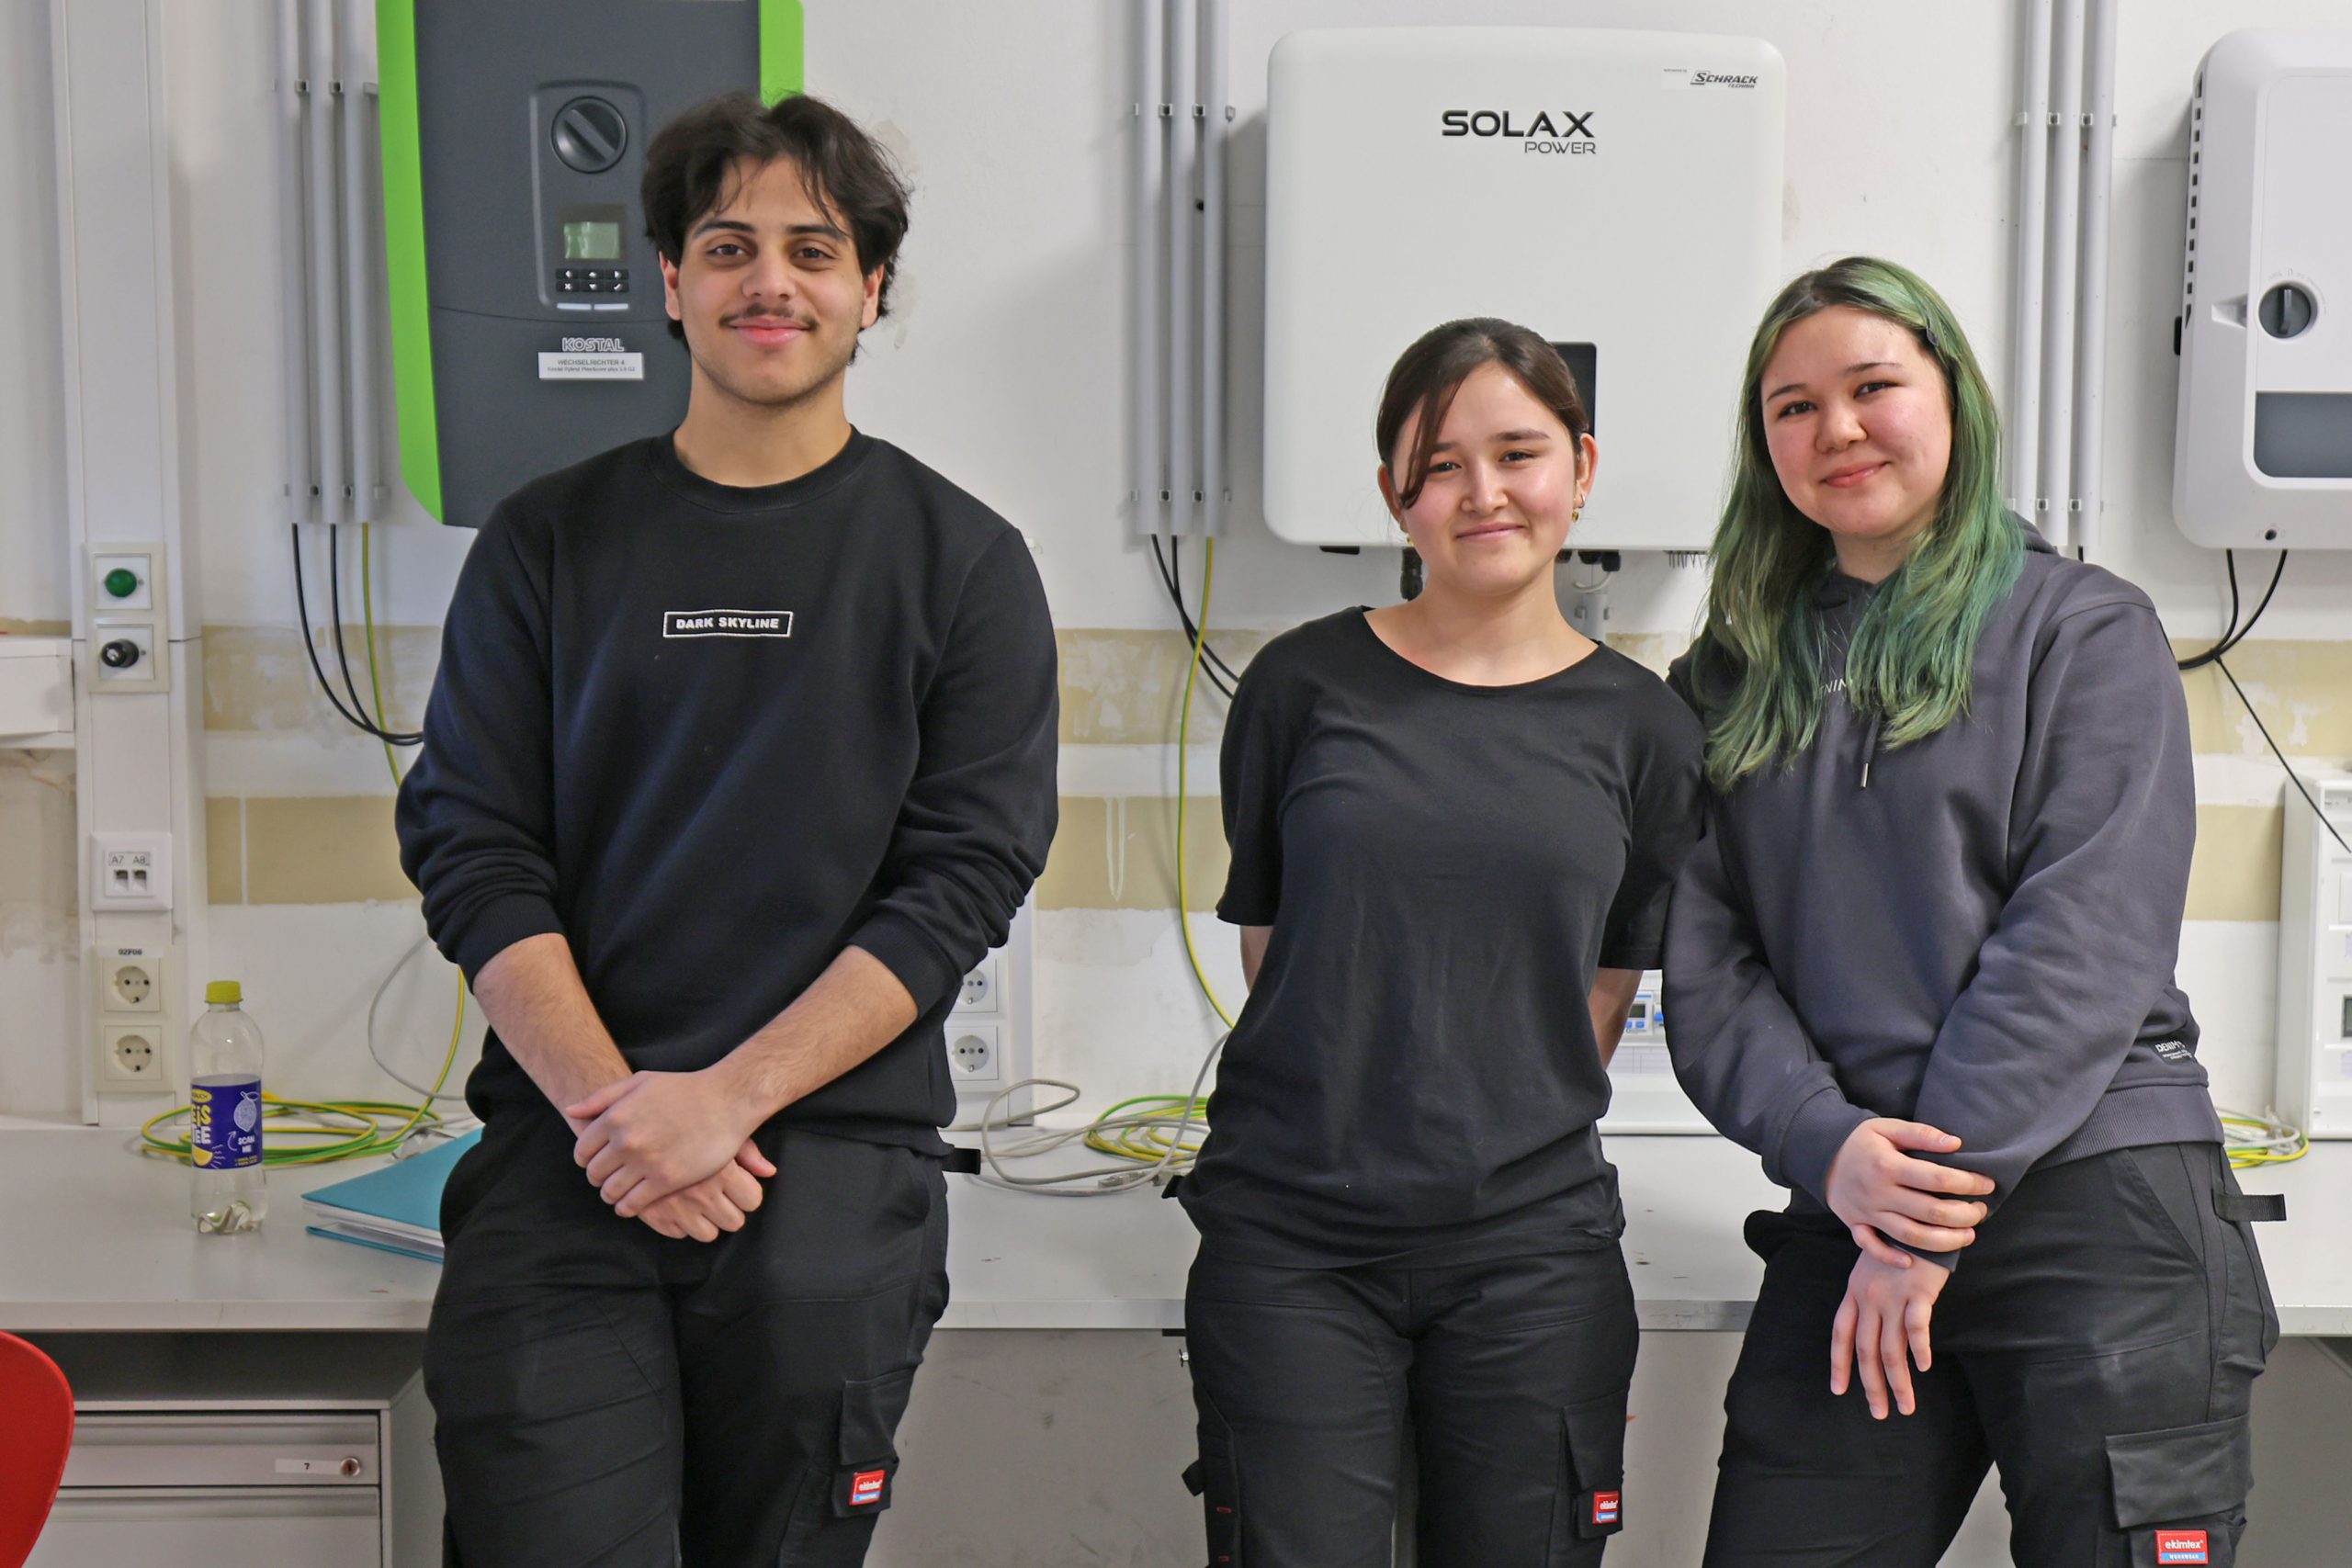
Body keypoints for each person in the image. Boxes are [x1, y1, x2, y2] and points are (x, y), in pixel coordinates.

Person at [394, 91, 1057, 1567]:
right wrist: (623, 1112)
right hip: (572, 1160)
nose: (771, 281)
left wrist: (727, 1103)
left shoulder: (962, 564)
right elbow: (473, 848)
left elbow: (961, 882)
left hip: (828, 1181)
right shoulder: (546, 541)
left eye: (813, 250)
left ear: (871, 289)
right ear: (670, 281)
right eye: (728, 245)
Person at [1665, 256, 2278, 1567]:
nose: (1836, 428)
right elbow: (1708, 965)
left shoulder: (2082, 630)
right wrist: (1829, 1147)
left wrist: (1927, 1209)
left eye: (1872, 387)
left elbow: (2081, 940)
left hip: (2093, 1202)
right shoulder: (1726, 677)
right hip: (1851, 1194)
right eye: (1792, 407)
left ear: (1955, 398)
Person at [1180, 319, 1704, 1566]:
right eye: (1440, 466)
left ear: (1581, 466)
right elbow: (1273, 943)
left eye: (1518, 454)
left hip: (1532, 1252)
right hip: (1295, 1240)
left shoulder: (1645, 727)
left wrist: (1488, 1112)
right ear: (1393, 496)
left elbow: (1609, 978)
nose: (1484, 494)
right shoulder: (1300, 685)